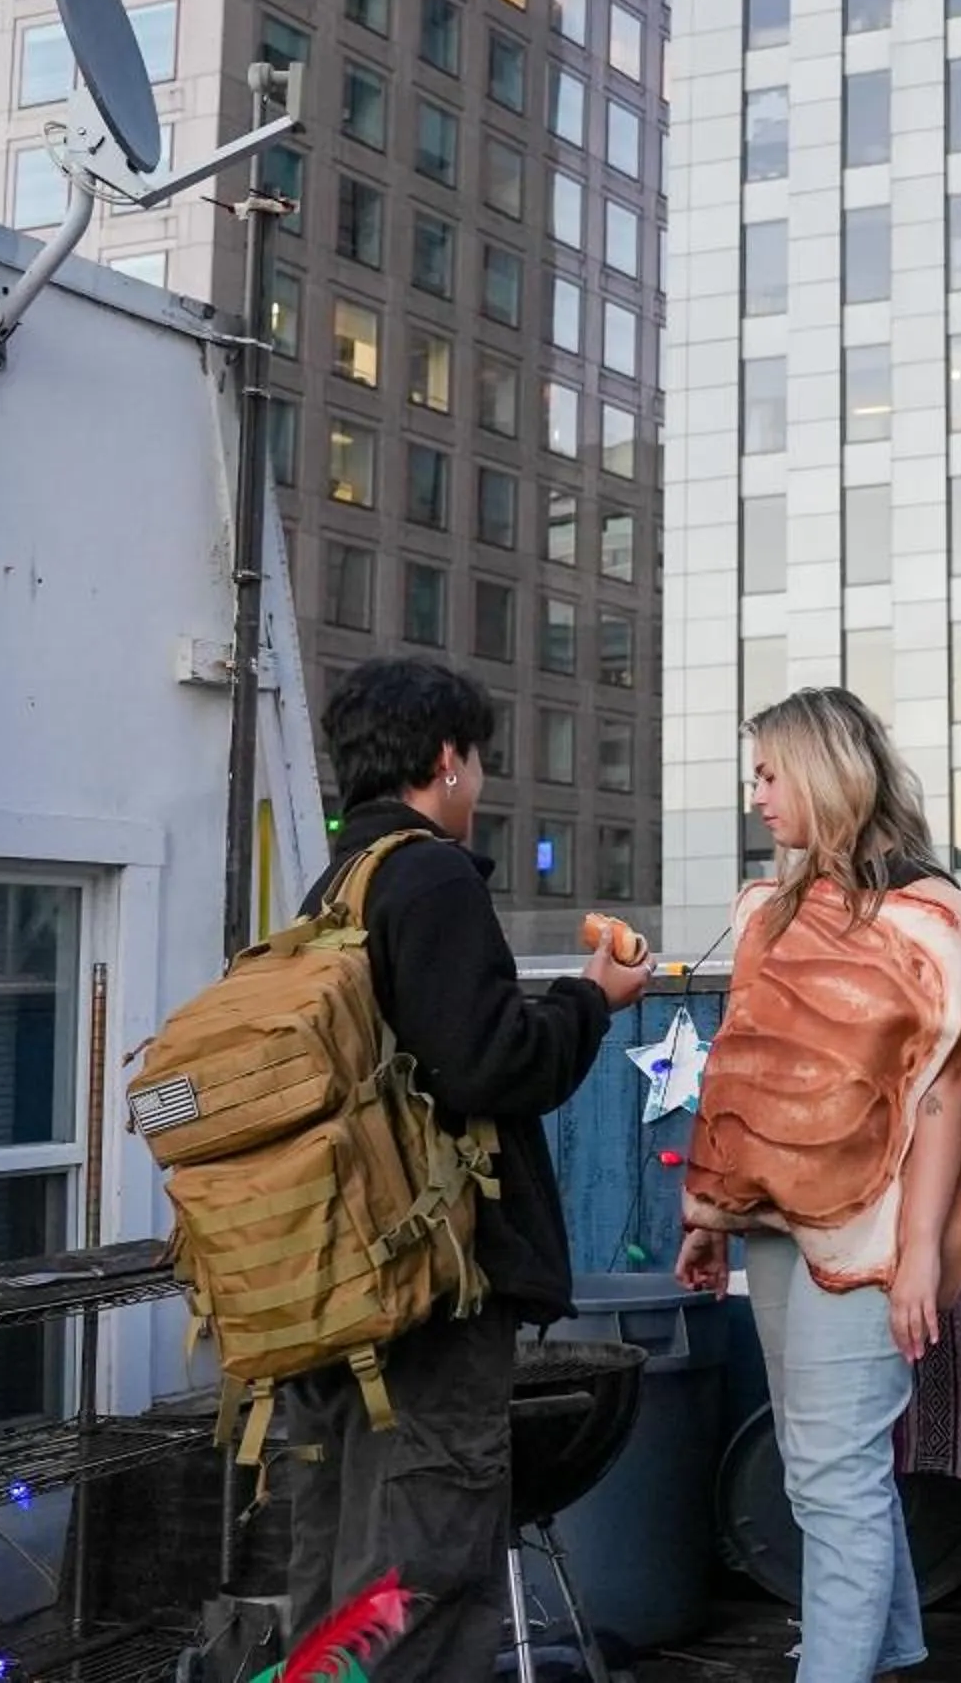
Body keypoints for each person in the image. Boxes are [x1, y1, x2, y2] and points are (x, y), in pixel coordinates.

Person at [280, 658, 654, 1682]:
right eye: (478, 759)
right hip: (429, 1283)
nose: (480, 781)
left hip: (336, 1276)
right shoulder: (431, 876)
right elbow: (490, 1065)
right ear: (446, 759)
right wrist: (592, 999)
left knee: (341, 1562)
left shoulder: (334, 887)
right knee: (424, 1559)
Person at [674, 688, 961, 1683]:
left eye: (769, 774)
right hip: (775, 1219)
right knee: (817, 1467)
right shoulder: (779, 908)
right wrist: (712, 1215)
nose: (757, 796)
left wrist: (918, 1253)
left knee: (834, 1475)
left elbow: (942, 1092)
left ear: (823, 771)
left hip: (874, 1229)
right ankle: (890, 1653)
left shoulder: (922, 912)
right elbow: (745, 1069)